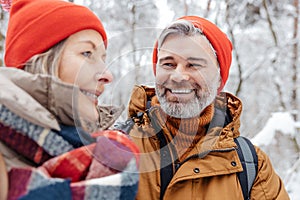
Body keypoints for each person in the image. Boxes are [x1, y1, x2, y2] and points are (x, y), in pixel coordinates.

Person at [127, 16, 290, 200]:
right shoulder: (117, 149)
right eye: (168, 64)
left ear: (219, 78)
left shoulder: (252, 166)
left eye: (193, 64)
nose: (178, 76)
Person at [0, 0, 139, 199]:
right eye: (87, 53)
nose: (107, 75)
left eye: (103, 58)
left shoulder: (101, 153)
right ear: (41, 60)